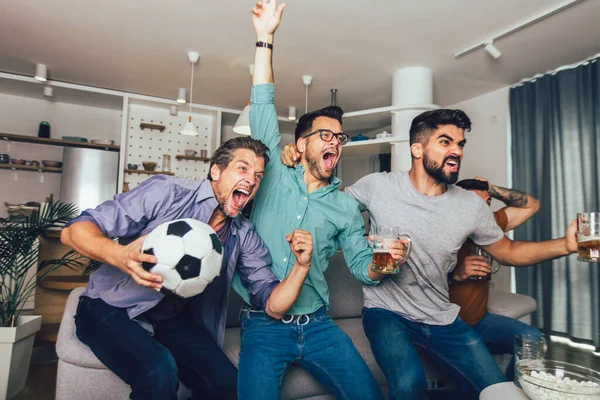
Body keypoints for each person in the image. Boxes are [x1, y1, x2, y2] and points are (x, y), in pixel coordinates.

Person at [281, 109, 577, 399]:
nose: (457, 151)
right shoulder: (378, 186)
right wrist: (295, 165)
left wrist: (566, 244)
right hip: (386, 313)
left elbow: (509, 251)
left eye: (460, 144)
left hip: (442, 316)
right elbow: (326, 203)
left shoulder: (470, 207)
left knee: (500, 389)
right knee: (409, 383)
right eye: (445, 142)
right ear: (417, 149)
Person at [231, 2, 408, 399]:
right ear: (302, 143)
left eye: (340, 138)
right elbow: (262, 103)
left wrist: (386, 262)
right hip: (262, 323)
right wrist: (266, 37)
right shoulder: (272, 173)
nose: (336, 143)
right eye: (326, 135)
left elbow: (363, 268)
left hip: (318, 326)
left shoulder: (346, 206)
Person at [61, 136, 314, 400]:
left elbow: (273, 304)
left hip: (167, 318)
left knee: (226, 385)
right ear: (216, 171)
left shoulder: (244, 235)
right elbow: (73, 231)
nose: (251, 180)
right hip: (108, 307)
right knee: (159, 373)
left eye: (258, 176)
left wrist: (301, 266)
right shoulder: (167, 192)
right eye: (243, 168)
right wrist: (119, 255)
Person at [450, 177, 543, 380]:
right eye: (475, 204)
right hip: (449, 328)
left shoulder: (489, 225)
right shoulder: (440, 229)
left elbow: (532, 205)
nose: (482, 210)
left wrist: (491, 189)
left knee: (533, 341)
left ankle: (515, 391)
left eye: (487, 204)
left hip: (479, 322)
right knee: (486, 384)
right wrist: (456, 274)